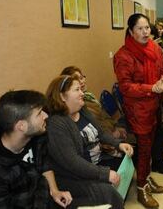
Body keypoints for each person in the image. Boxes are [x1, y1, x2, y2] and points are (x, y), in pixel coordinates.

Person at [0, 90, 72, 208]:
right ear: (21, 126)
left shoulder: (34, 136)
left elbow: (44, 164)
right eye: (39, 113)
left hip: (45, 200)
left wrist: (54, 191)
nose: (46, 115)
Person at [45, 75, 134, 209]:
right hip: (73, 176)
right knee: (109, 194)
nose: (82, 93)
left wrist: (118, 144)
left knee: (129, 157)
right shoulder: (56, 124)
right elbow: (72, 162)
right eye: (77, 90)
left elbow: (101, 132)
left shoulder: (82, 109)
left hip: (93, 163)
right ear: (62, 96)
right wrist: (105, 174)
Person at [113, 13, 163, 208]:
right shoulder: (123, 55)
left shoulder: (154, 47)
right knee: (144, 148)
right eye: (140, 28)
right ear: (130, 31)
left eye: (147, 28)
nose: (146, 32)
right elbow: (126, 87)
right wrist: (151, 88)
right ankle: (140, 189)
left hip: (155, 105)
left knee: (152, 146)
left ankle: (145, 178)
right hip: (137, 110)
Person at [60, 66, 129, 142]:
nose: (82, 82)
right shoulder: (79, 106)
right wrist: (114, 133)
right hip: (106, 138)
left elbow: (103, 115)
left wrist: (115, 128)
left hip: (110, 130)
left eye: (82, 77)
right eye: (77, 80)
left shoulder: (89, 96)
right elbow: (98, 126)